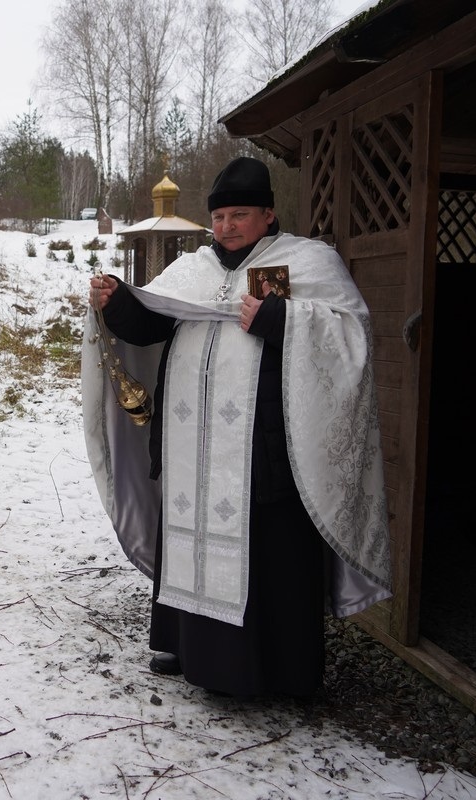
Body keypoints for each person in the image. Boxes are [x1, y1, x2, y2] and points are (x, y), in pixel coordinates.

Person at [84, 156, 392, 698]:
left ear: (269, 215)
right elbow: (151, 323)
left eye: (240, 214)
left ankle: (276, 670)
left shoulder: (308, 263)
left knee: (269, 551)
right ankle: (186, 646)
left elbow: (351, 338)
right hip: (191, 448)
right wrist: (116, 305)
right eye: (220, 216)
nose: (227, 226)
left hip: (267, 450)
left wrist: (280, 319)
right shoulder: (194, 270)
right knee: (190, 539)